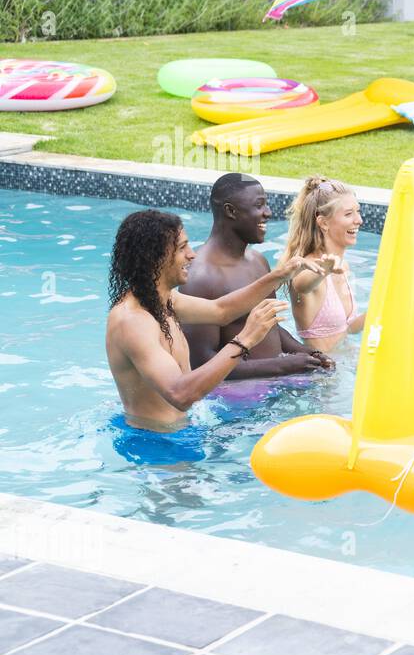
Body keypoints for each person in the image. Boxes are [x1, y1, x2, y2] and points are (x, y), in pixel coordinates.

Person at [105, 209, 321, 459]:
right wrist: (245, 340)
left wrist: (280, 275)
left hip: (179, 432)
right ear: (155, 257)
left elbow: (222, 310)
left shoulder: (163, 301)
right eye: (182, 248)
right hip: (154, 445)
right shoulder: (133, 321)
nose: (192, 254)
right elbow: (180, 394)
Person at [180, 173, 333, 379]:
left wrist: (309, 354)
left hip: (273, 383)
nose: (268, 213)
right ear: (230, 211)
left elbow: (270, 327)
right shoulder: (201, 277)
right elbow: (202, 364)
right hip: (237, 401)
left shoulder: (257, 261)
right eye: (259, 205)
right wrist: (284, 366)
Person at [281, 177, 367, 352]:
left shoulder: (343, 267)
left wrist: (383, 307)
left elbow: (348, 329)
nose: (359, 220)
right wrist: (324, 270)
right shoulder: (308, 267)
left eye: (357, 211)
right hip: (321, 376)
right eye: (348, 214)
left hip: (345, 362)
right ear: (323, 223)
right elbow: (300, 285)